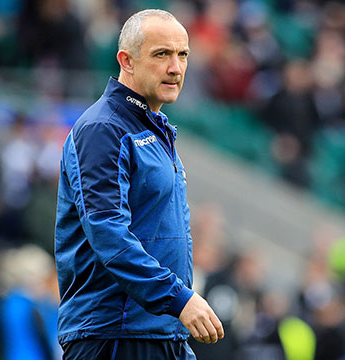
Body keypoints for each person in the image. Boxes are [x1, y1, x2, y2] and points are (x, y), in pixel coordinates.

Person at [54, 9, 224, 360]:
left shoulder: (152, 128)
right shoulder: (104, 129)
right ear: (126, 60)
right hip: (115, 334)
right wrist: (179, 299)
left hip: (161, 332)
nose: (175, 68)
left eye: (183, 55)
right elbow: (108, 234)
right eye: (162, 54)